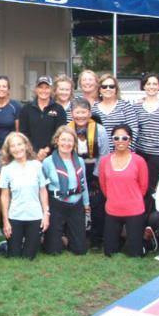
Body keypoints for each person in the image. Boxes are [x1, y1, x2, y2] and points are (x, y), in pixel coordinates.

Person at [99, 125, 149, 257]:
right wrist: (114, 199)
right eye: (116, 138)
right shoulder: (104, 161)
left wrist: (132, 200)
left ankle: (144, 242)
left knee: (135, 253)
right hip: (113, 209)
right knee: (109, 252)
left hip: (134, 210)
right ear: (112, 140)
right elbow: (103, 185)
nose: (120, 140)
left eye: (124, 138)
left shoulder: (139, 161)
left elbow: (143, 186)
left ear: (130, 140)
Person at [66, 98, 110, 247]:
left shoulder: (100, 129)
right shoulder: (67, 129)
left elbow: (104, 154)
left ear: (89, 113)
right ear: (72, 114)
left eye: (84, 112)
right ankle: (77, 237)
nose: (80, 116)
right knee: (76, 203)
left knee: (96, 204)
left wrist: (96, 176)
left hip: (95, 169)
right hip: (75, 169)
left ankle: (97, 238)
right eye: (77, 112)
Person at [0, 132, 49, 260]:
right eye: (13, 146)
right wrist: (5, 221)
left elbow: (43, 191)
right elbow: (4, 196)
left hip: (34, 215)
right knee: (14, 256)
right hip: (15, 215)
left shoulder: (37, 166)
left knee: (29, 256)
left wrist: (45, 215)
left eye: (19, 144)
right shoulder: (6, 169)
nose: (17, 148)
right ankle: (7, 244)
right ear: (9, 150)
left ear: (26, 146)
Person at [42, 126, 90, 255]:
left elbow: (83, 182)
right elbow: (43, 187)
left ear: (74, 143)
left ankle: (70, 239)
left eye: (70, 140)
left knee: (80, 250)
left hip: (76, 203)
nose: (66, 144)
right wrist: (45, 209)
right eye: (63, 140)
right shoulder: (47, 162)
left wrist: (86, 203)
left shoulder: (79, 161)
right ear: (57, 141)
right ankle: (59, 239)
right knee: (53, 250)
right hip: (56, 203)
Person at [0, 76, 21, 225]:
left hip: (11, 153)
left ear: (8, 89)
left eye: (4, 86)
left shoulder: (15, 106)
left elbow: (17, 131)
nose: (1, 89)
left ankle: (11, 222)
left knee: (12, 188)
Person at [134, 73, 159, 190]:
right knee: (141, 184)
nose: (151, 86)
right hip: (141, 151)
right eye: (148, 84)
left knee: (156, 185)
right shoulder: (136, 107)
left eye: (155, 84)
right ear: (144, 86)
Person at [19, 75, 66, 161]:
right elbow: (23, 134)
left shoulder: (59, 109)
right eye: (40, 87)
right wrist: (35, 151)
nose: (43, 90)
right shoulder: (26, 109)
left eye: (47, 87)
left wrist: (47, 149)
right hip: (31, 156)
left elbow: (60, 133)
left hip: (53, 156)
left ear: (51, 89)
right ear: (36, 89)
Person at [92, 74, 140, 151]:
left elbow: (134, 130)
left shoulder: (125, 106)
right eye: (104, 86)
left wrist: (127, 149)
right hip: (101, 154)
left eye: (111, 86)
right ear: (99, 89)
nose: (108, 89)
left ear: (116, 89)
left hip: (122, 153)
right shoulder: (93, 109)